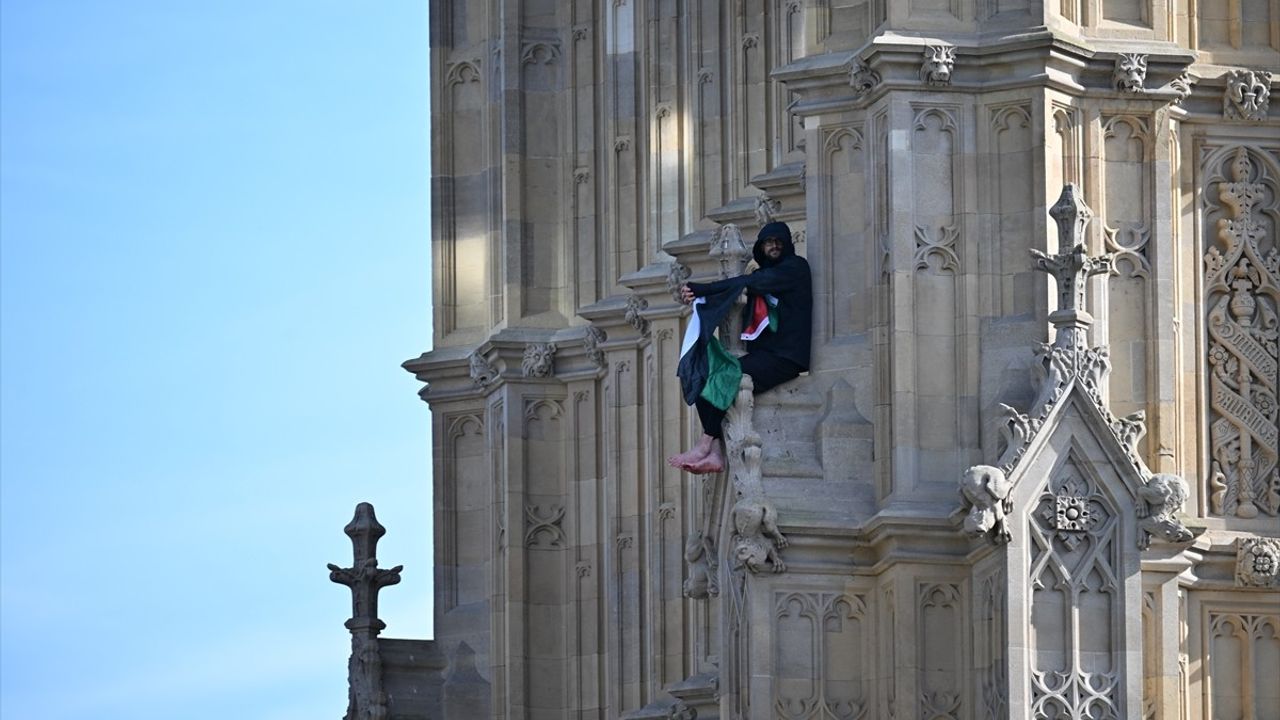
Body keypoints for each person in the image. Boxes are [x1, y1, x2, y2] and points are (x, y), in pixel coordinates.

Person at [668, 221, 812, 474]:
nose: (774, 246)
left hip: (785, 358)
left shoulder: (795, 269)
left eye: (779, 241)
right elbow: (741, 285)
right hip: (765, 354)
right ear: (761, 247)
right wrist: (700, 296)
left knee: (726, 374)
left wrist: (703, 288)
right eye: (769, 242)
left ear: (788, 244)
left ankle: (704, 444)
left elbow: (747, 283)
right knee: (705, 373)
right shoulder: (760, 277)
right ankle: (714, 453)